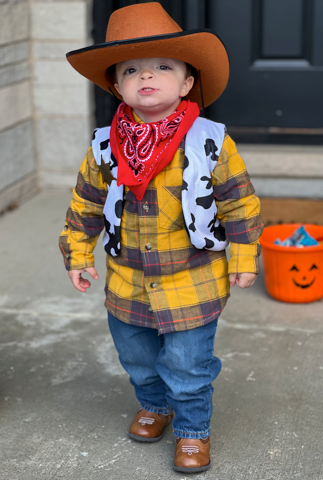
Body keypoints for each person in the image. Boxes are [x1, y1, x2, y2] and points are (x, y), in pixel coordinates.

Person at [59, 2, 263, 474]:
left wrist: (244, 257)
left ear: (188, 82)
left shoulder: (210, 141)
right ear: (116, 85)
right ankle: (155, 403)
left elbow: (239, 201)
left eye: (163, 68)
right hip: (127, 282)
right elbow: (86, 203)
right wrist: (77, 253)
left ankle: (192, 430)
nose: (146, 77)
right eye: (131, 70)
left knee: (189, 367)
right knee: (137, 356)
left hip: (191, 281)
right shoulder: (105, 147)